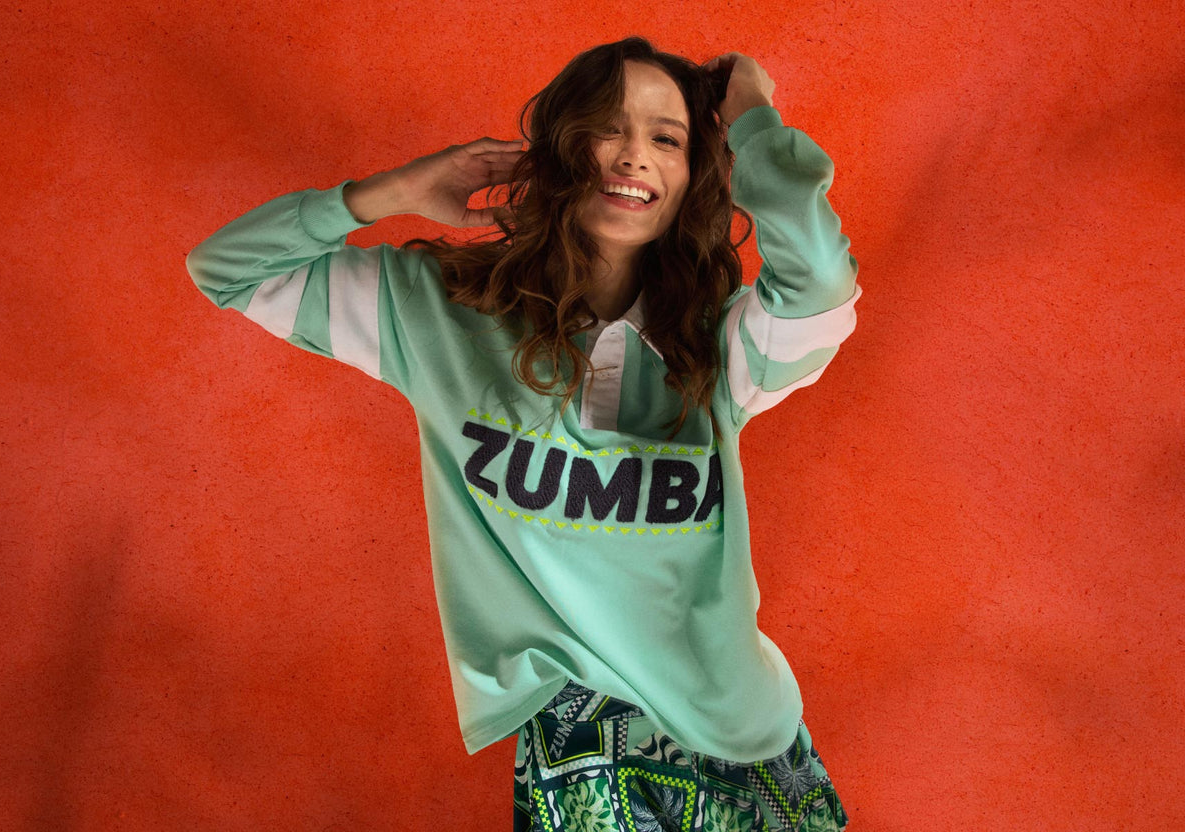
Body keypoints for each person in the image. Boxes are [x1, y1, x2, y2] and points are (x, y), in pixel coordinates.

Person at [186, 36, 861, 831]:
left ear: (693, 178)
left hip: (750, 734)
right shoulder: (436, 313)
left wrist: (750, 119)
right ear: (560, 150)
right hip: (579, 738)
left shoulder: (720, 345)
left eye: (667, 139)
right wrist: (392, 191)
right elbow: (226, 267)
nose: (634, 155)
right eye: (609, 127)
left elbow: (819, 285)